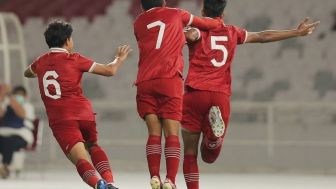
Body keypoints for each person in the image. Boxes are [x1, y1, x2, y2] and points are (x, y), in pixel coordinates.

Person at [182, 0, 320, 189]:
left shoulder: (196, 30)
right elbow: (263, 36)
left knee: (191, 153)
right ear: (223, 12)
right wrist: (296, 32)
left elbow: (186, 36)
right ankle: (213, 139)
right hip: (220, 95)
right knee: (209, 157)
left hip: (195, 93)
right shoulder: (232, 32)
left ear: (203, 9)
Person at [24, 20, 132, 189]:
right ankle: (110, 182)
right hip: (84, 114)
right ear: (67, 41)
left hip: (62, 120)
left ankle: (100, 186)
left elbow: (27, 72)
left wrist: (39, 71)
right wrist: (119, 58)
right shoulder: (75, 59)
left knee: (80, 160)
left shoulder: (40, 62)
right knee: (93, 146)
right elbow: (110, 70)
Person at [133, 0, 223, 189]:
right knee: (172, 133)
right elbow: (206, 24)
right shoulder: (176, 14)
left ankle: (154, 177)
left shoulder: (138, 23)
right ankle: (170, 180)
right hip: (170, 79)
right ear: (164, 2)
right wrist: (218, 23)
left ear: (142, 6)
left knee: (153, 133)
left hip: (145, 81)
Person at [0, 84, 35, 179]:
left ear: (25, 96)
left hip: (21, 135)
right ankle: (4, 167)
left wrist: (12, 100)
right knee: (4, 141)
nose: (18, 96)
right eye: (16, 94)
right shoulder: (5, 105)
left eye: (20, 94)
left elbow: (21, 114)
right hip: (3, 134)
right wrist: (2, 95)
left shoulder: (28, 106)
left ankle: (5, 167)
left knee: (8, 141)